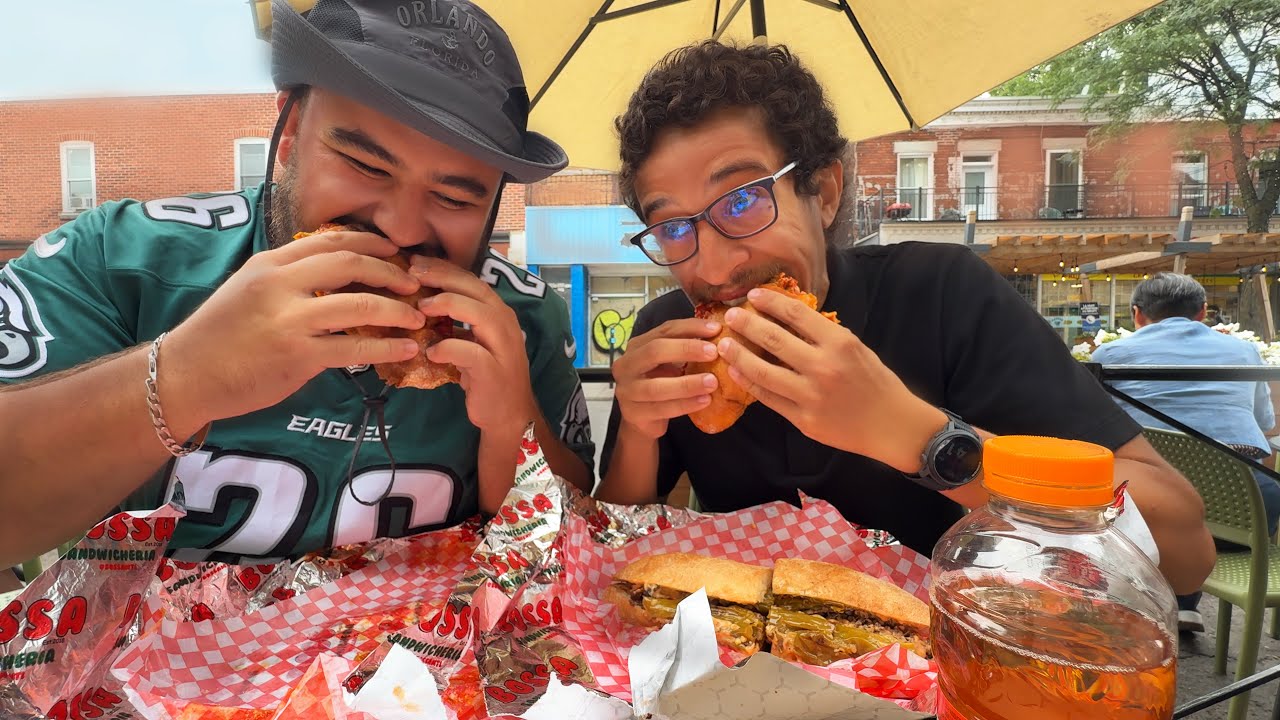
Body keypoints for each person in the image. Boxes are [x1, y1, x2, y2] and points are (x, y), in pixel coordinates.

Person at [595, 41, 1215, 597]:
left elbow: (1186, 552)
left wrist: (922, 439)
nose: (715, 264)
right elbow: (611, 561)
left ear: (827, 192)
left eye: (742, 199)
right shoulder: (665, 333)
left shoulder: (944, 292)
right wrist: (637, 437)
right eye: (673, 227)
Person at [0, 0, 593, 567]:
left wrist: (515, 427)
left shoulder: (523, 319)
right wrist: (184, 377)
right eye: (365, 164)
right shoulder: (118, 261)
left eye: (455, 197)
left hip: (429, 667)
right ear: (288, 137)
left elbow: (573, 560)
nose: (402, 226)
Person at [1091, 273, 1280, 632]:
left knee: (1131, 483)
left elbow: (1099, 435)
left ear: (1137, 314)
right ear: (1203, 312)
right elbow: (1264, 425)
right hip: (1247, 513)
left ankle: (1168, 601)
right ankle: (1184, 600)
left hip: (1149, 515)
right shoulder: (1244, 351)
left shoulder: (1111, 355)